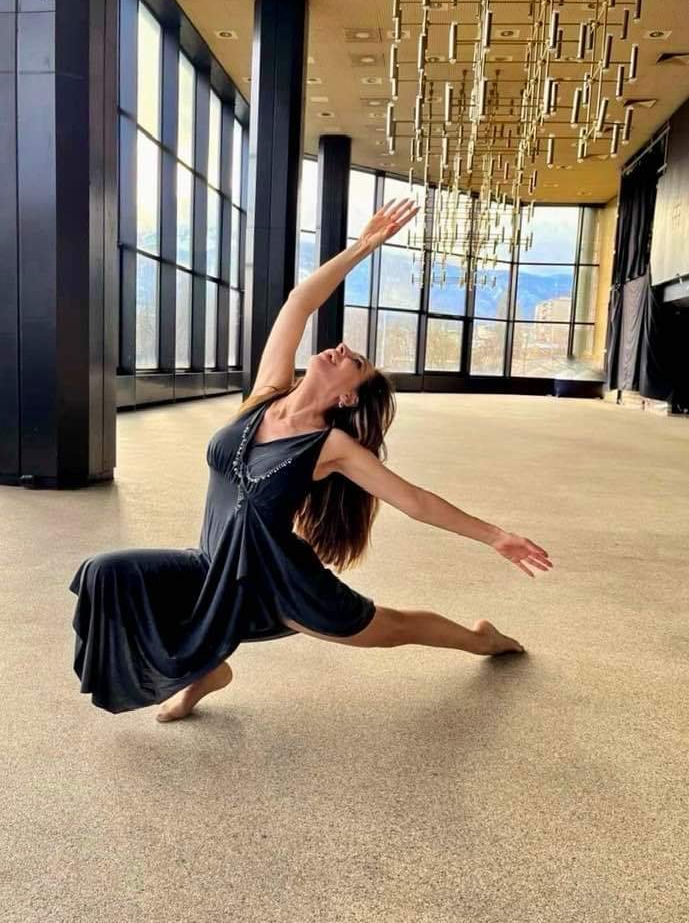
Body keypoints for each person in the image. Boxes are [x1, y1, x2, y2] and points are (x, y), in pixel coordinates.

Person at [69, 196, 553, 721]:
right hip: (212, 564)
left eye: (355, 361)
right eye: (346, 349)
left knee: (391, 627)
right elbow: (299, 304)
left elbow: (414, 501)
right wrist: (363, 247)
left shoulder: (330, 447)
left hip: (280, 581)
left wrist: (496, 536)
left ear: (347, 397)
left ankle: (483, 640)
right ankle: (205, 672)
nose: (341, 348)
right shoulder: (265, 394)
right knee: (107, 573)